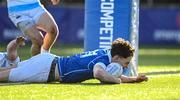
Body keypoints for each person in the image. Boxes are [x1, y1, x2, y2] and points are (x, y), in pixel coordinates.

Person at [0, 38, 148, 84]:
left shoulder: (106, 55)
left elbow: (109, 73)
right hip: (46, 69)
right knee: (5, 77)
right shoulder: (102, 60)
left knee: (9, 71)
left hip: (48, 62)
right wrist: (117, 82)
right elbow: (99, 73)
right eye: (126, 62)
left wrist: (134, 79)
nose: (125, 66)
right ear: (116, 58)